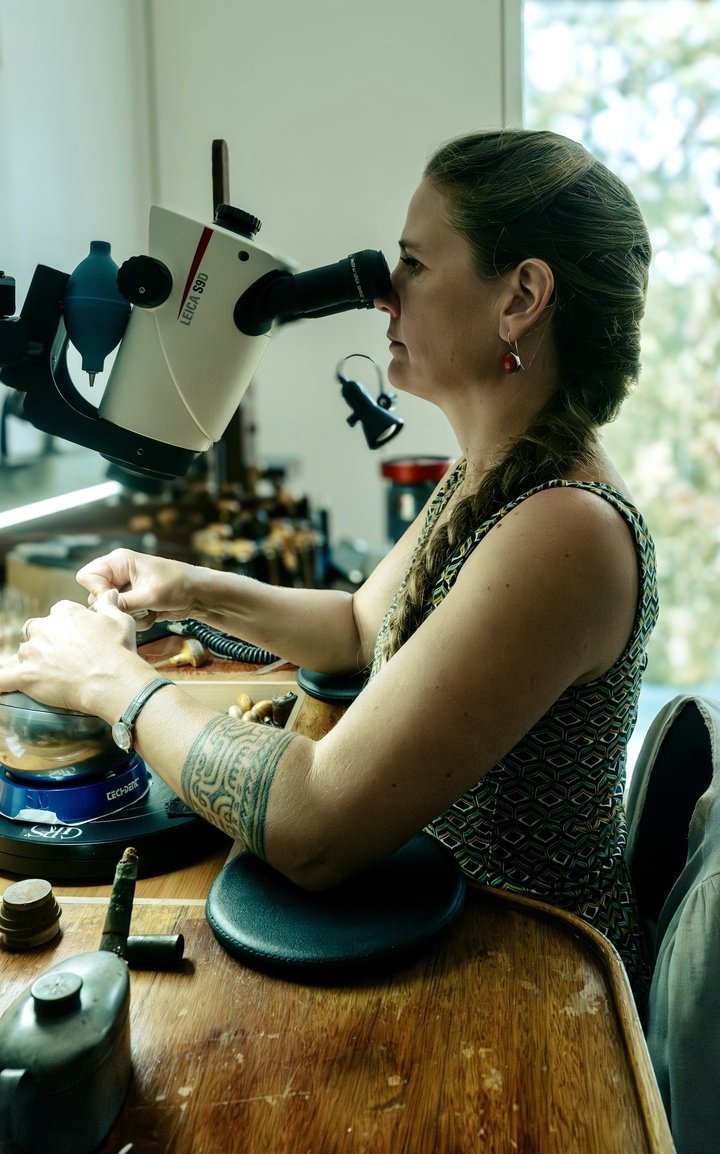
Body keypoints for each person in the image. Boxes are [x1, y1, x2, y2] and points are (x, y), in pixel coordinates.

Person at [0, 129, 657, 1006]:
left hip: (536, 986)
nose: (384, 290)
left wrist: (109, 682)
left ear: (521, 298)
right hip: (448, 934)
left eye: (414, 262)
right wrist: (186, 588)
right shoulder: (493, 474)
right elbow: (355, 627)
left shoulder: (564, 530)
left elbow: (315, 827)